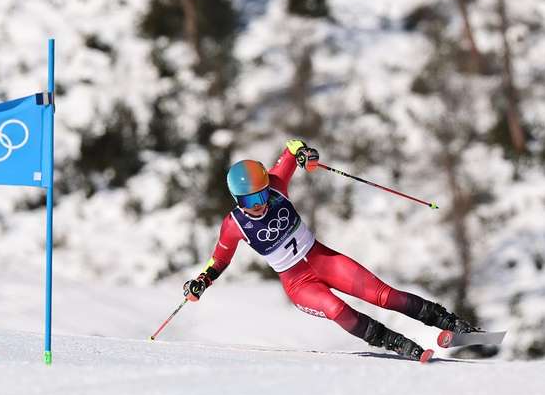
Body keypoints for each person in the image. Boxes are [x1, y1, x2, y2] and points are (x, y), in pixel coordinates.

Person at [182, 139, 478, 361]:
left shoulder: (275, 185)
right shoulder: (233, 225)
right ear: (237, 201)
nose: (258, 204)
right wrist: (201, 282)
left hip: (323, 259)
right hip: (298, 283)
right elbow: (219, 260)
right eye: (248, 201)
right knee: (337, 309)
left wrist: (304, 154)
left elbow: (292, 147)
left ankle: (451, 323)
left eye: (260, 194)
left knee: (384, 295)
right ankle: (398, 344)